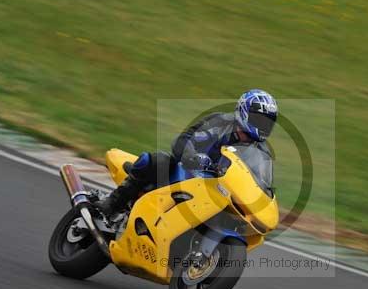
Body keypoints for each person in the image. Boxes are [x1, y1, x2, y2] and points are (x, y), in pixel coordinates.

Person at [96, 89, 278, 216]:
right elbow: (184, 140)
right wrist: (193, 156)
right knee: (159, 160)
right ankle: (113, 203)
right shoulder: (220, 124)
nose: (262, 126)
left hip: (220, 190)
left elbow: (260, 179)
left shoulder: (262, 151)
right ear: (244, 112)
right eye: (258, 119)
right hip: (190, 173)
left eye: (266, 122)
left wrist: (265, 192)